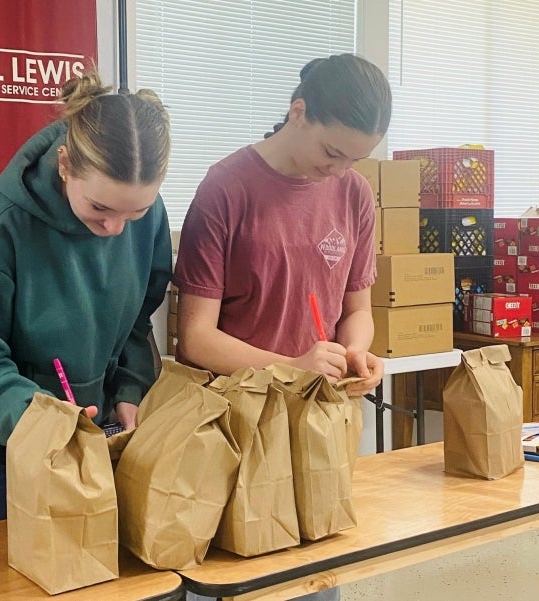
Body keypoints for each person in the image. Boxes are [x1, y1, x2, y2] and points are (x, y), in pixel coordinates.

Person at [174, 54, 392, 601]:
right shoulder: (227, 187)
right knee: (237, 574)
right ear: (298, 112)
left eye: (355, 159)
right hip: (238, 417)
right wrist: (289, 367)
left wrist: (356, 354)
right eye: (331, 152)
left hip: (319, 415)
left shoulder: (355, 195)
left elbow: (357, 310)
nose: (339, 170)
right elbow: (195, 337)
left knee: (319, 570)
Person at [0, 72, 173, 531]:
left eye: (135, 212)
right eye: (100, 209)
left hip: (86, 429)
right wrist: (44, 418)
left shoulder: (147, 216)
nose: (117, 228)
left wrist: (129, 389)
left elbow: (137, 323)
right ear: (64, 165)